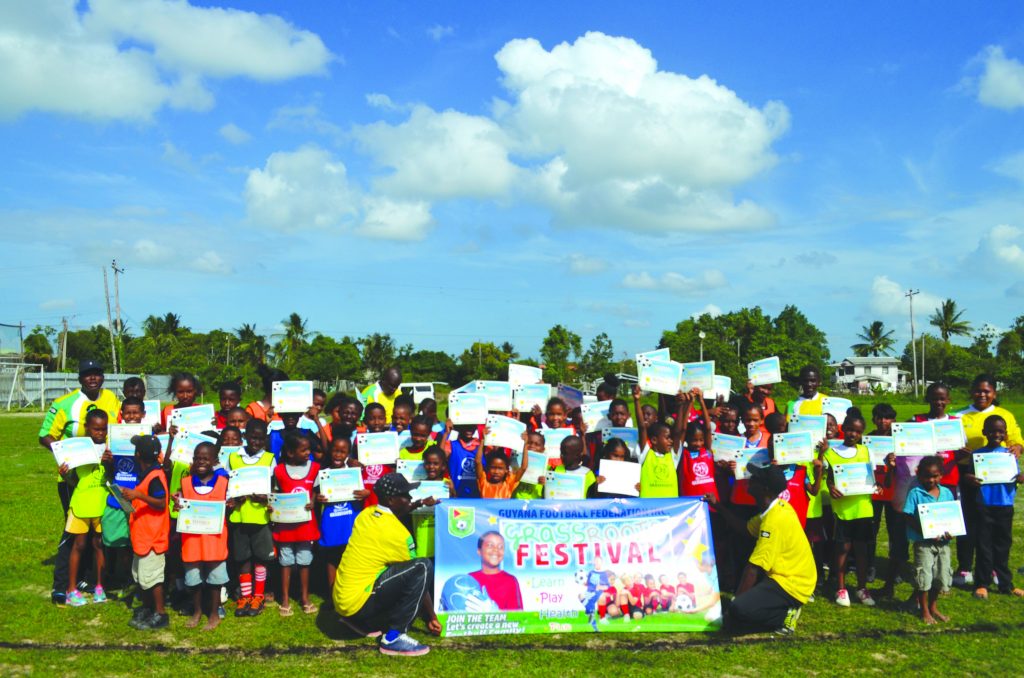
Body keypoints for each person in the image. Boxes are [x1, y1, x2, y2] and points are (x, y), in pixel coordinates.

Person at [333, 473, 440, 656]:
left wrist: (419, 503)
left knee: (388, 568)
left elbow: (396, 511)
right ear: (391, 499)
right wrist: (431, 616)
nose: (409, 498)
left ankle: (356, 621)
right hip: (359, 604)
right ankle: (394, 636)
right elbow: (418, 577)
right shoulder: (398, 535)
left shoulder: (367, 514)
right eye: (406, 495)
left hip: (343, 602)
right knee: (422, 566)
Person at [707, 462, 815, 635]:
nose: (750, 480)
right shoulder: (775, 508)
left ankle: (785, 613)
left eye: (755, 478)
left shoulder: (774, 520)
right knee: (740, 610)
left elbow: (754, 568)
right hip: (786, 575)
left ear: (765, 489)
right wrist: (717, 505)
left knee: (738, 612)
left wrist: (734, 606)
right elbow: (744, 528)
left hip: (792, 583)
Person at [954, 374, 1024, 586]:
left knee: (994, 527)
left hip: (999, 476)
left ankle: (993, 568)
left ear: (994, 393)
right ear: (971, 391)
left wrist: (1018, 447)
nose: (982, 394)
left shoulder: (1005, 415)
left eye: (987, 391)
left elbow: (1016, 441)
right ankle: (965, 567)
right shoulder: (959, 416)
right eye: (978, 390)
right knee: (968, 522)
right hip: (968, 472)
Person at [39, 359, 121, 521]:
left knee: (102, 523)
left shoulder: (110, 398)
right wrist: (66, 457)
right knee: (76, 524)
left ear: (103, 377)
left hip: (106, 473)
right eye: (87, 375)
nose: (92, 378)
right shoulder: (64, 403)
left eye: (96, 374)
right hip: (74, 477)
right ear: (80, 379)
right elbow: (45, 436)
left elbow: (122, 424)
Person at [963, 415, 1024, 599]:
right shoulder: (977, 454)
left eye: (1000, 431)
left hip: (1005, 505)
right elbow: (968, 475)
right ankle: (982, 583)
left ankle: (1006, 584)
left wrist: (1021, 478)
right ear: (984, 432)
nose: (996, 434)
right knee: (984, 545)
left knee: (1003, 545)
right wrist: (970, 479)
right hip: (984, 505)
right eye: (991, 430)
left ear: (1005, 434)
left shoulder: (1009, 454)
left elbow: (1016, 476)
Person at [822, 410, 876, 607]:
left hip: (863, 508)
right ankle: (841, 588)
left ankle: (862, 587)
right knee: (842, 549)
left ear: (862, 434)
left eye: (858, 432)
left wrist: (876, 486)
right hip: (843, 510)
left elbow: (872, 478)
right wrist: (831, 487)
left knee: (861, 549)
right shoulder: (830, 454)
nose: (854, 434)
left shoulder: (866, 451)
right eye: (850, 430)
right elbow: (828, 480)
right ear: (843, 430)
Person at [174, 442, 229, 630]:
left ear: (214, 461)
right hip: (192, 541)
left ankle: (214, 613)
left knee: (215, 579)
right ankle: (197, 611)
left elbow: (229, 504)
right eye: (197, 458)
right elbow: (179, 506)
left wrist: (232, 504)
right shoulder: (186, 483)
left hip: (215, 541)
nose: (201, 462)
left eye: (205, 458)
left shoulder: (224, 483)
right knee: (193, 579)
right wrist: (177, 505)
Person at [227, 419, 276, 617]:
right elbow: (226, 484)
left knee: (261, 557)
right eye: (252, 437)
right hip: (239, 516)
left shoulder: (269, 459)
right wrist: (231, 499)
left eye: (260, 439)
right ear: (245, 436)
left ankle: (259, 595)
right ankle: (245, 596)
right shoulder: (233, 457)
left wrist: (266, 496)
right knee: (242, 558)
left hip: (260, 517)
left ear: (265, 439)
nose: (256, 442)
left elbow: (273, 488)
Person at [61, 409, 110, 606]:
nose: (100, 433)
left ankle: (100, 586)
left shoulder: (110, 448)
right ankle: (70, 589)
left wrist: (110, 463)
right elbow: (73, 480)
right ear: (87, 428)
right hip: (81, 504)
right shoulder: (77, 449)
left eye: (103, 429)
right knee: (79, 545)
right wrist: (64, 474)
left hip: (102, 503)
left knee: (99, 545)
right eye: (96, 429)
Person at [123, 434, 170, 630]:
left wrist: (138, 495)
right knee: (141, 576)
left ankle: (160, 613)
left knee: (153, 578)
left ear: (138, 454)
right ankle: (148, 607)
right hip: (142, 535)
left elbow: (161, 503)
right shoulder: (147, 473)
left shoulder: (155, 477)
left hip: (153, 537)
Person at [272, 432, 320, 616]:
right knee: (285, 561)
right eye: (304, 450)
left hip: (306, 526)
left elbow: (315, 490)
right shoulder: (279, 471)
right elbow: (275, 494)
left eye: (309, 449)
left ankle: (305, 597)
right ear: (291, 453)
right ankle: (284, 598)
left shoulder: (314, 468)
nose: (308, 452)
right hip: (286, 525)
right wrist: (273, 507)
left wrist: (313, 502)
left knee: (304, 561)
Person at [902, 456, 955, 623]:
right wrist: (926, 531)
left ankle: (933, 607)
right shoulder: (915, 493)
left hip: (943, 544)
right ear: (919, 475)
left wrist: (951, 531)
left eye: (935, 476)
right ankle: (924, 610)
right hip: (923, 543)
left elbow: (951, 517)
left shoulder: (946, 493)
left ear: (941, 475)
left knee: (940, 576)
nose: (931, 480)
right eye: (926, 476)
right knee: (924, 576)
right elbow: (908, 516)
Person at [316, 436, 368, 592]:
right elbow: (315, 495)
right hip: (332, 520)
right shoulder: (324, 474)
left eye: (342, 451)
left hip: (350, 519)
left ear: (348, 454)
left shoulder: (354, 473)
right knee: (332, 557)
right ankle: (332, 592)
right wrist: (318, 498)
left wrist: (365, 493)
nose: (338, 455)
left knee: (351, 555)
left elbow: (366, 490)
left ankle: (350, 589)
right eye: (335, 450)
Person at [467, 531, 524, 611]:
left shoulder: (510, 581)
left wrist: (496, 613)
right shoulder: (469, 579)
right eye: (490, 545)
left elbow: (518, 617)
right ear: (479, 551)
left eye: (500, 547)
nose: (496, 550)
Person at [476, 431, 529, 499]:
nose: (496, 471)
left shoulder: (509, 484)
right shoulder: (483, 483)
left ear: (506, 470)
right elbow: (478, 461)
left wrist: (525, 444)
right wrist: (483, 440)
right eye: (493, 467)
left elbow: (523, 468)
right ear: (488, 468)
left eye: (500, 468)